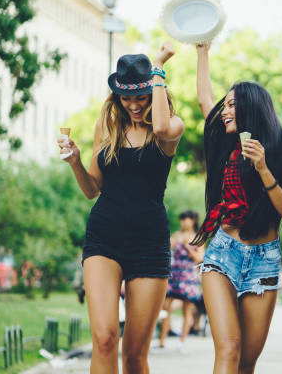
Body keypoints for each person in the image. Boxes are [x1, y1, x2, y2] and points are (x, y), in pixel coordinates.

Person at [57, 43, 184, 373]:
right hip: (104, 238)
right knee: (104, 339)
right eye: (126, 98)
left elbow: (159, 126)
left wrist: (158, 66)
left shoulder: (171, 128)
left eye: (140, 97)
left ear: (153, 91)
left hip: (149, 243)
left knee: (135, 354)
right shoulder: (107, 129)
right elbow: (91, 190)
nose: (133, 105)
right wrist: (75, 163)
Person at [194, 42, 282, 373]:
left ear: (251, 108)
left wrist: (264, 168)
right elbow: (204, 101)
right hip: (223, 254)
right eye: (224, 106)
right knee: (228, 349)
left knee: (246, 363)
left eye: (231, 106)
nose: (224, 112)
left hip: (264, 262)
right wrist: (202, 52)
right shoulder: (225, 143)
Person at [158, 210, 204, 352]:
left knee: (187, 309)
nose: (184, 222)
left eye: (187, 219)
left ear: (194, 221)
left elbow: (199, 258)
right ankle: (161, 342)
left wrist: (186, 247)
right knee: (165, 307)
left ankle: (182, 342)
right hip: (174, 274)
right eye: (182, 219)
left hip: (188, 276)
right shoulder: (176, 235)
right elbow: (164, 249)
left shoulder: (198, 237)